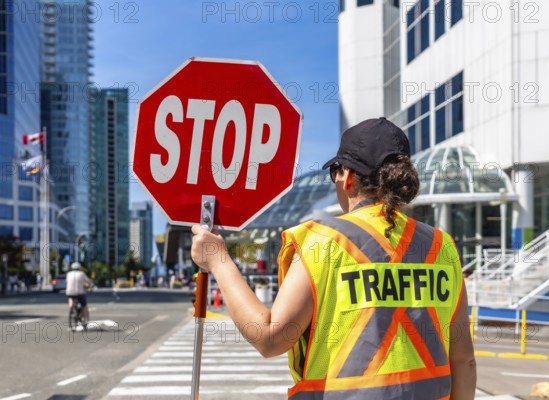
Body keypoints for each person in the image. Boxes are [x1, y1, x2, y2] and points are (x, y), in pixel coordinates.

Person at [191, 118, 476, 399]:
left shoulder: (324, 242)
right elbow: (463, 360)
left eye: (336, 172)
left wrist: (218, 260)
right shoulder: (442, 247)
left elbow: (269, 338)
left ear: (347, 176)